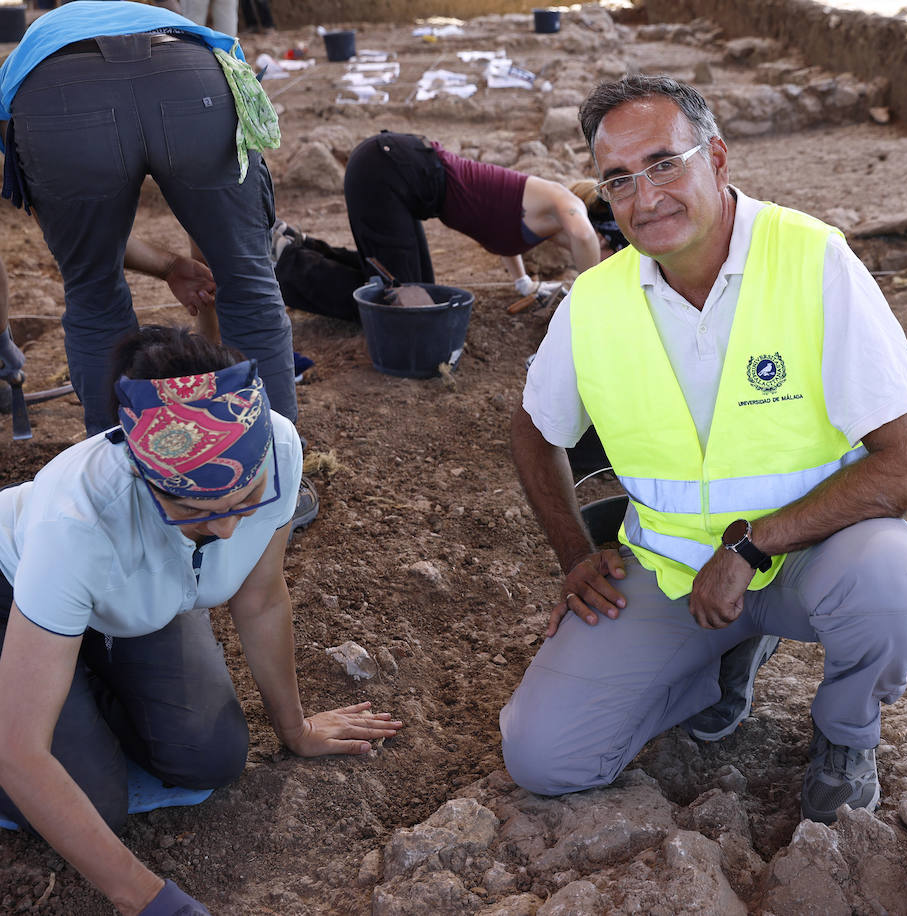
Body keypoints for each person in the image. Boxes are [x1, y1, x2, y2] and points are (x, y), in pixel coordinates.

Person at [501, 76, 907, 825]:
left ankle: (844, 736)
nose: (646, 199)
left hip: (812, 557)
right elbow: (532, 431)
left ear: (716, 157)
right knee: (545, 758)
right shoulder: (597, 302)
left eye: (665, 164)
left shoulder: (813, 261)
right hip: (672, 572)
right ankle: (721, 659)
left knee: (894, 585)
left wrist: (748, 548)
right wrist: (575, 555)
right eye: (619, 180)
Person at [0, 326, 402, 915]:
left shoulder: (281, 448)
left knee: (210, 755)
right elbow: (21, 751)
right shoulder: (77, 524)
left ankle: (78, 688)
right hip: (14, 588)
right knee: (90, 802)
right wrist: (147, 899)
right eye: (192, 511)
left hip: (126, 604)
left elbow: (261, 598)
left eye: (249, 496)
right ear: (141, 473)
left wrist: (297, 730)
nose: (229, 530)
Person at [0, 0, 296, 436]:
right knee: (249, 284)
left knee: (92, 292)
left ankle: (122, 464)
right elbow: (218, 240)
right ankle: (273, 462)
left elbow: (82, 247)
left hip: (57, 93)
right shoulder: (170, 21)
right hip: (194, 78)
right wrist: (182, 269)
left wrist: (170, 268)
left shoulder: (31, 49)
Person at [343, 131, 602, 299]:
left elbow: (504, 229)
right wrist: (592, 297)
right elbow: (583, 235)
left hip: (403, 178)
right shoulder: (566, 203)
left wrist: (524, 283)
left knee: (421, 288)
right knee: (405, 295)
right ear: (601, 236)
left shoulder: (542, 219)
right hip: (386, 168)